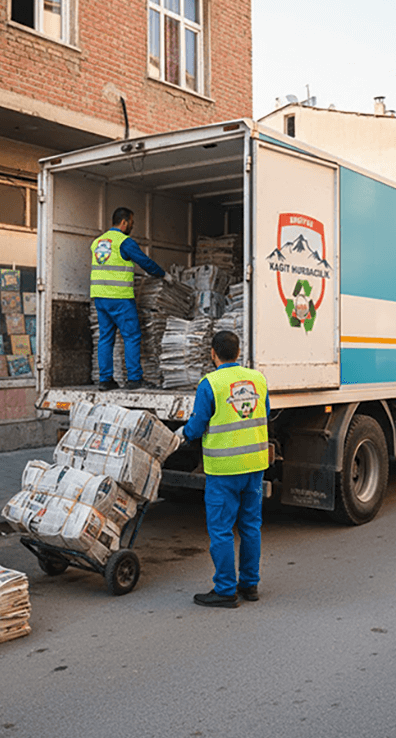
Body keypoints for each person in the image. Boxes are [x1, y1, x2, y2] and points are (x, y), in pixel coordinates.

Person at [180, 330, 271, 608]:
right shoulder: (258, 379)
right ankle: (250, 584)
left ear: (212, 353)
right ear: (239, 352)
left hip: (224, 469)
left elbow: (197, 426)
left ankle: (225, 590)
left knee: (221, 530)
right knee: (251, 526)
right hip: (255, 465)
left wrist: (184, 433)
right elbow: (264, 413)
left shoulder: (210, 384)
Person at [91, 207, 170, 390]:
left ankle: (105, 380)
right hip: (119, 297)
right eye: (132, 223)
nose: (132, 226)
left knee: (105, 338)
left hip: (100, 297)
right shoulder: (124, 242)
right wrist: (163, 275)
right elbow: (144, 262)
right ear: (124, 222)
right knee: (132, 336)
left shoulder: (97, 242)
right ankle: (134, 378)